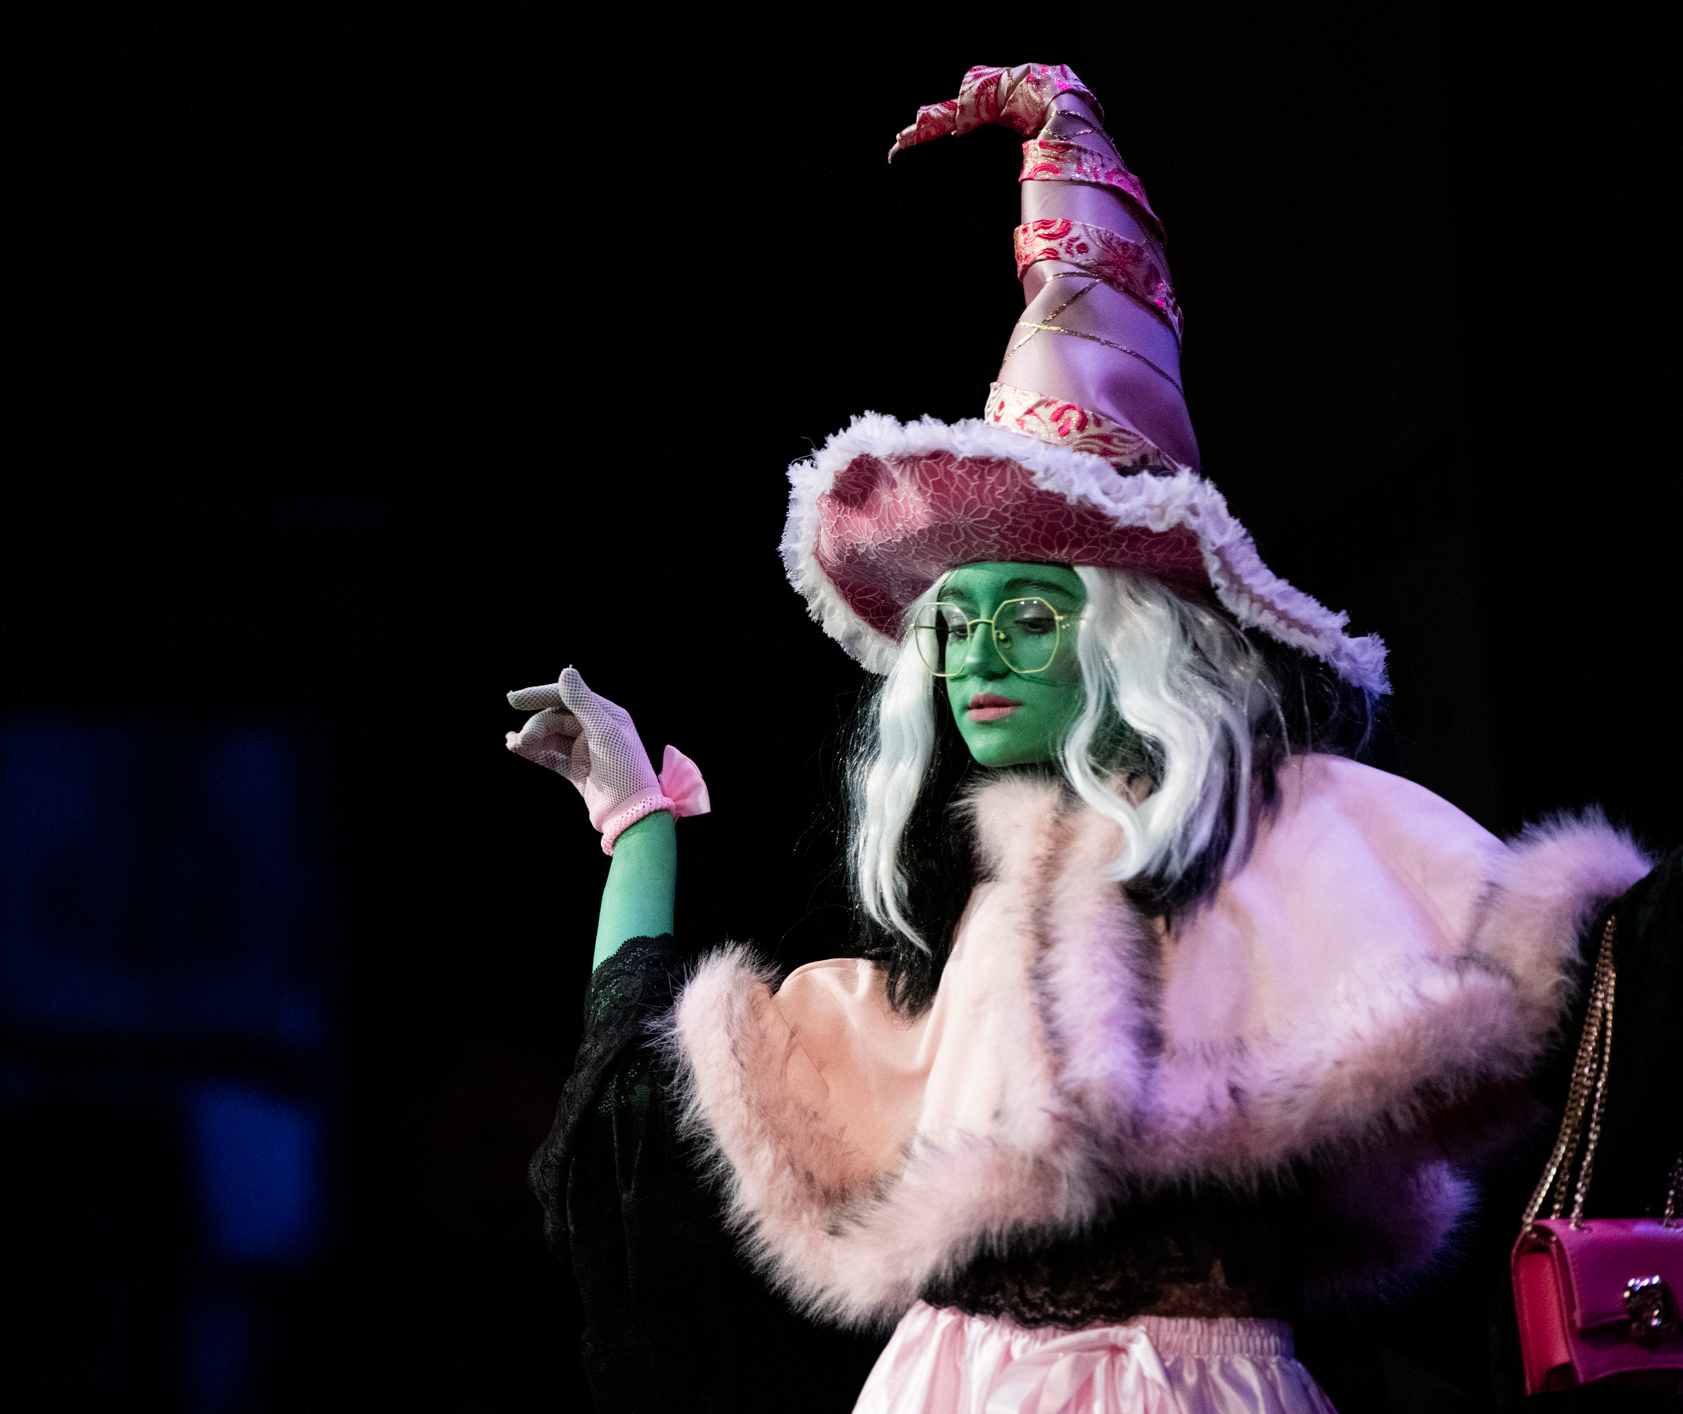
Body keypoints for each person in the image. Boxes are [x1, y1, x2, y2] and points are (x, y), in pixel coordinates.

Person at [508, 63, 1657, 1412]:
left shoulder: (1301, 838)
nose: (977, 655)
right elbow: (649, 1136)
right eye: (952, 626)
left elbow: (1603, 986)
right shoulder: (964, 923)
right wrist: (634, 821)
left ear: (1123, 636)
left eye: (1030, 618)